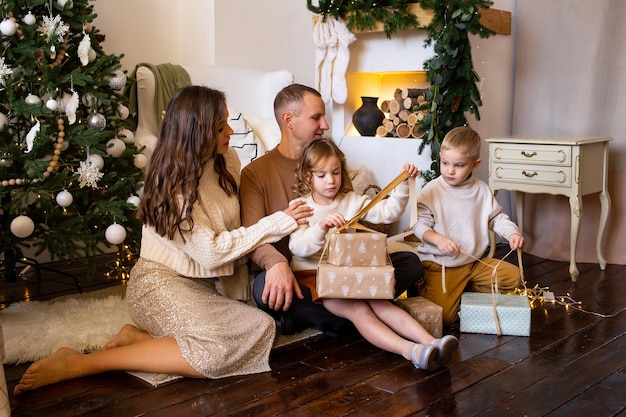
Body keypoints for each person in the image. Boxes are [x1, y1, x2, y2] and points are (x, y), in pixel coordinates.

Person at [13, 86, 312, 395]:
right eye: (221, 125)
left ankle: (140, 340)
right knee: (218, 350)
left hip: (202, 287)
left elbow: (232, 232)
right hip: (158, 285)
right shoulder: (171, 186)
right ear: (198, 132)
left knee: (260, 327)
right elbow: (211, 252)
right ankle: (84, 363)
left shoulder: (228, 160)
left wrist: (238, 295)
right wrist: (280, 221)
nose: (231, 131)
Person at [240, 84, 423, 336]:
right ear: (288, 120)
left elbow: (354, 210)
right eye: (316, 117)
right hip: (296, 275)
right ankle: (363, 315)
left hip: (340, 272)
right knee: (263, 289)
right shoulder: (255, 173)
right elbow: (252, 237)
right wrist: (277, 263)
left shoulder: (331, 161)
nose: (325, 125)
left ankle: (339, 316)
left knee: (409, 262)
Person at [288, 138, 458, 370]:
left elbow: (387, 213)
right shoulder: (301, 206)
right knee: (360, 311)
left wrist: (402, 185)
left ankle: (432, 342)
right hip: (316, 276)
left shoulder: (350, 200)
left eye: (336, 173)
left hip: (349, 271)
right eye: (321, 175)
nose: (331, 181)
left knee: (382, 303)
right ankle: (413, 352)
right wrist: (321, 228)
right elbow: (297, 248)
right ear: (308, 176)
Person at [412, 126, 525, 327]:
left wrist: (512, 233)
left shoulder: (481, 190)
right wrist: (438, 240)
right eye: (445, 163)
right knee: (445, 318)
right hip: (443, 265)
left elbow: (496, 218)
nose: (450, 170)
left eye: (459, 165)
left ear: (475, 164)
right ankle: (424, 285)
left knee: (514, 278)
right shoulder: (432, 190)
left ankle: (463, 289)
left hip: (473, 263)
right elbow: (419, 226)